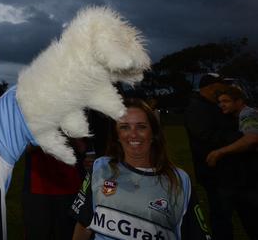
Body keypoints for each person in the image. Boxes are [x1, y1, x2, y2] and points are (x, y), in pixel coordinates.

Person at [71, 98, 211, 240]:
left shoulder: (178, 180)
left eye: (141, 127)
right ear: (117, 135)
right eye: (125, 127)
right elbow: (84, 225)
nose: (133, 134)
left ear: (154, 134)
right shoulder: (100, 168)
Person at [184, 73, 247, 239]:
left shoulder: (214, 105)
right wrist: (239, 137)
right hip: (214, 173)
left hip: (230, 170)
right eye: (221, 87)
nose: (224, 91)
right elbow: (206, 136)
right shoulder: (196, 107)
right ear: (210, 87)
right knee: (221, 214)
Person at [22, 139, 86, 240]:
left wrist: (68, 134)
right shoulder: (32, 123)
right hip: (38, 188)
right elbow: (24, 148)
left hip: (68, 187)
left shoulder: (72, 122)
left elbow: (82, 147)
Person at [206, 85, 258, 166]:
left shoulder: (247, 114)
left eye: (226, 101)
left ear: (239, 101)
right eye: (220, 102)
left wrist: (220, 152)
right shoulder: (240, 115)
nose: (221, 105)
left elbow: (252, 138)